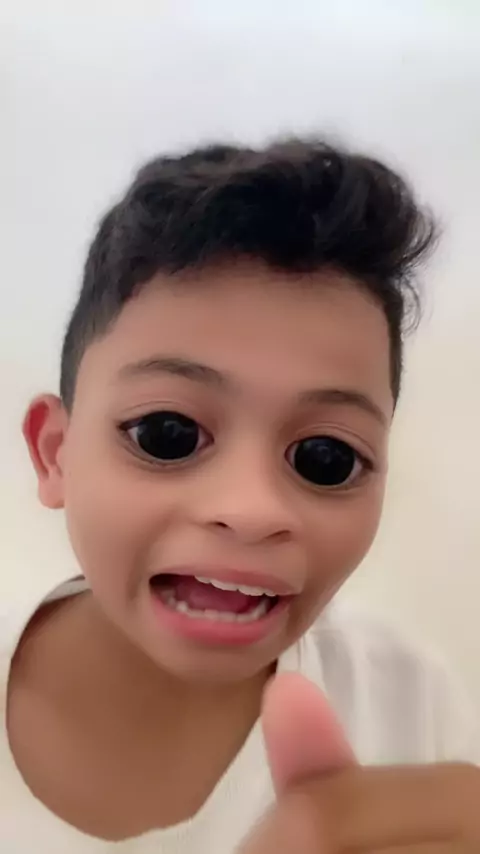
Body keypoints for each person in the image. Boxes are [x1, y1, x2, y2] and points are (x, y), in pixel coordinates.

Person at [0, 139, 478, 853]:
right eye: (167, 434)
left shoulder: (408, 705)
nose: (253, 510)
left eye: (326, 459)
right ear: (54, 453)